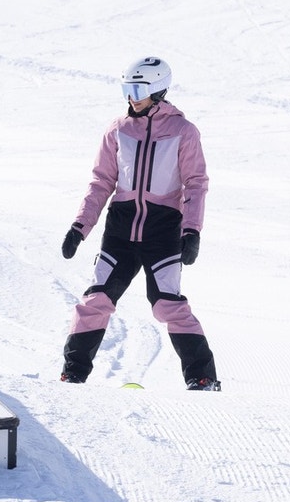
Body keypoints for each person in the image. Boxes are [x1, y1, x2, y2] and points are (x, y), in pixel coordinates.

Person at [59, 56, 220, 390]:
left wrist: (192, 231)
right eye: (126, 90)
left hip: (163, 232)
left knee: (168, 305)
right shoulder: (118, 130)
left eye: (137, 90)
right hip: (120, 230)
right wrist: (80, 226)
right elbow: (101, 182)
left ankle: (202, 378)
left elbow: (195, 184)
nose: (131, 98)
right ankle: (72, 374)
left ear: (158, 89)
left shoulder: (183, 132)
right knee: (96, 300)